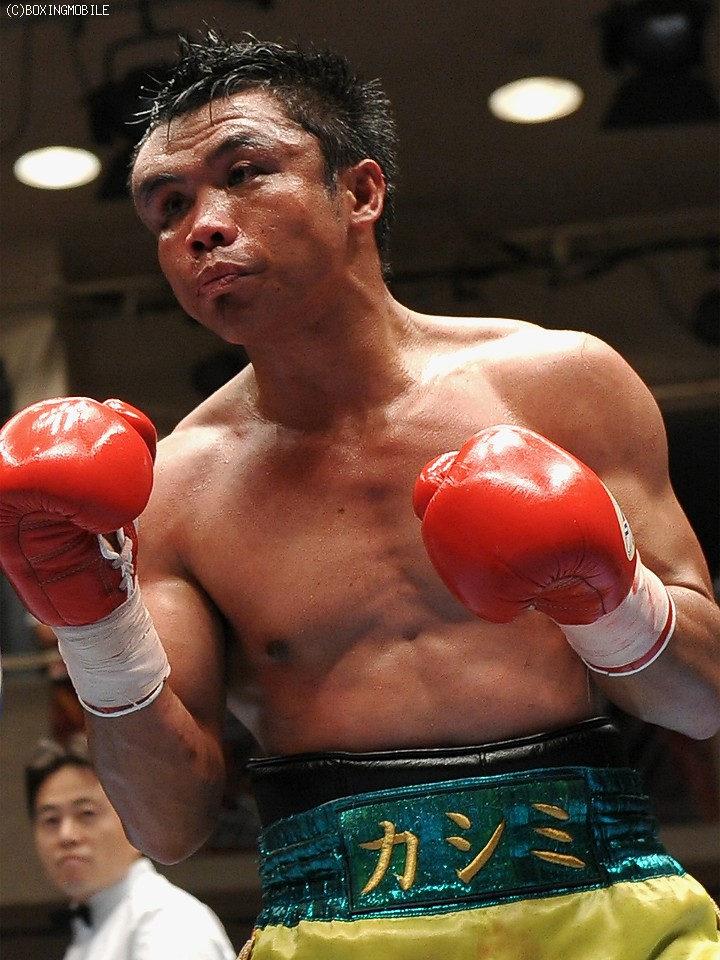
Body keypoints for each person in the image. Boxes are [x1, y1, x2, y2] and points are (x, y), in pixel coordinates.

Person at [1, 30, 719, 959]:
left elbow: (702, 701)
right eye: (169, 206)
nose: (202, 226)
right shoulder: (172, 489)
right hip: (332, 933)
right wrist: (94, 627)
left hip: (610, 914)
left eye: (244, 174)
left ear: (361, 192)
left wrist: (610, 600)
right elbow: (168, 825)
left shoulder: (561, 385)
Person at [26, 737, 237, 960]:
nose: (66, 835)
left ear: (136, 820)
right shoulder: (96, 926)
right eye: (51, 820)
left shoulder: (167, 922)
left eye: (87, 813)